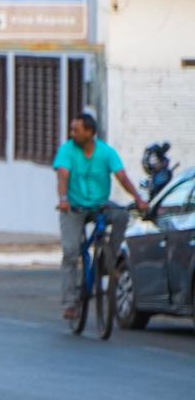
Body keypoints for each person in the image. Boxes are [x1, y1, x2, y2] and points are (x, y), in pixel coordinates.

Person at [53, 112, 147, 320]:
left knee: (122, 216)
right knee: (70, 252)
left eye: (76, 130)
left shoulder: (105, 152)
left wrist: (138, 198)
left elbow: (121, 176)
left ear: (90, 132)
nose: (72, 134)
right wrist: (62, 198)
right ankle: (70, 303)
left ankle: (109, 260)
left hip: (99, 206)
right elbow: (62, 174)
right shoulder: (67, 150)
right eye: (72, 129)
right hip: (73, 207)